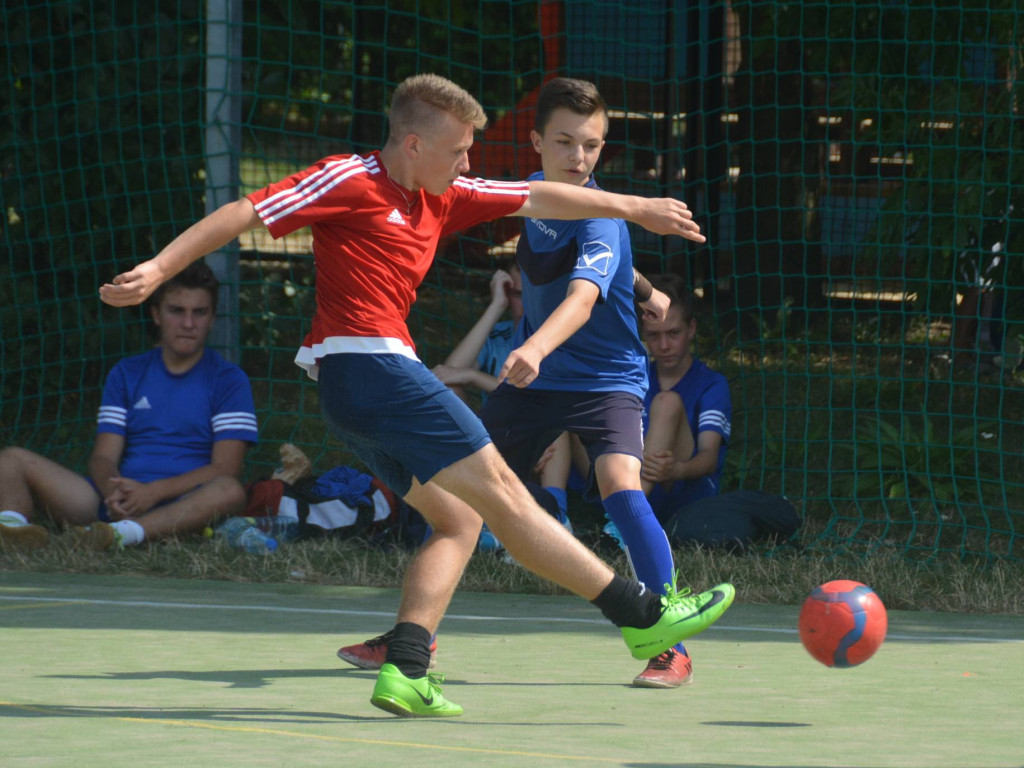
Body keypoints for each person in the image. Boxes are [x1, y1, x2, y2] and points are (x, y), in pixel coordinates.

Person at [97, 73, 733, 718]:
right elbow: (244, 213)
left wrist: (634, 208)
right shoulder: (349, 179)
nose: (468, 163)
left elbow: (537, 195)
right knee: (507, 495)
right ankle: (643, 616)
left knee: (459, 518)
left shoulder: (445, 194)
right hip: (369, 367)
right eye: (458, 150)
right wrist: (157, 269)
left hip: (356, 393)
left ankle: (405, 667)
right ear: (411, 144)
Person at [0, 262, 258, 551]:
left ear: (212, 318)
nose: (188, 324)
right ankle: (12, 531)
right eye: (177, 311)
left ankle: (122, 535)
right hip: (120, 499)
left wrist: (152, 493)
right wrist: (114, 493)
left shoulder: (228, 379)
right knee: (12, 460)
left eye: (199, 312)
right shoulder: (127, 373)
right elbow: (103, 457)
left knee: (231, 491)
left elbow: (225, 468)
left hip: (185, 504)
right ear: (156, 314)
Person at [639, 274, 731, 525]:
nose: (664, 345)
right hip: (636, 480)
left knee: (667, 402)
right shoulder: (635, 378)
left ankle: (626, 519)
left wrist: (675, 469)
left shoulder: (712, 384)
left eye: (673, 333)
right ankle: (557, 506)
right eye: (654, 336)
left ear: (691, 329)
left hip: (687, 498)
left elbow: (709, 458)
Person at [432, 264, 523, 405]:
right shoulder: (498, 334)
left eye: (533, 295)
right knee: (450, 388)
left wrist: (473, 376)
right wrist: (497, 305)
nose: (527, 304)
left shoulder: (557, 338)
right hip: (495, 424)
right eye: (518, 294)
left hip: (543, 425)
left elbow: (533, 398)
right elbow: (449, 372)